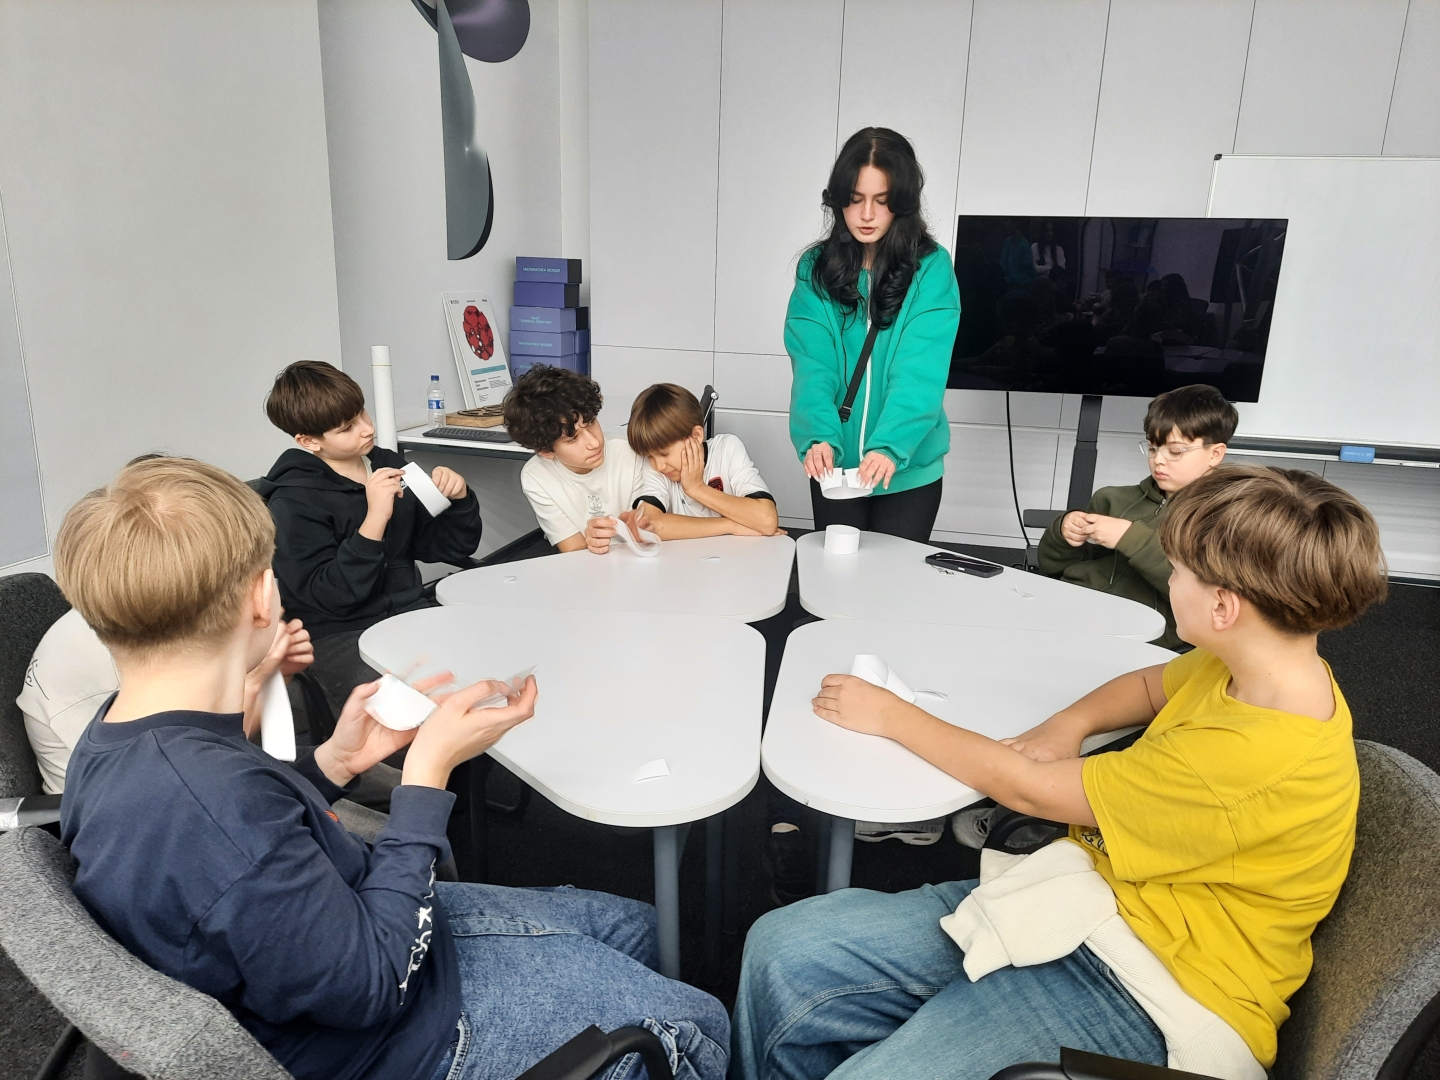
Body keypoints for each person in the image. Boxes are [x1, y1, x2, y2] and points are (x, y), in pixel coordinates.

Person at [56, 456, 729, 1080]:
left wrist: (334, 761)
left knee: (637, 927)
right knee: (698, 1023)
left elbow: (247, 846)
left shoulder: (120, 736)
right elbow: (373, 985)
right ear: (263, 595)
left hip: (342, 924)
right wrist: (426, 773)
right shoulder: (207, 804)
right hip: (391, 1027)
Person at [731, 464, 1386, 1080]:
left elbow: (1030, 791)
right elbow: (1150, 686)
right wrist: (1068, 724)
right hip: (1100, 903)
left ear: (1224, 607)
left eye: (1179, 569)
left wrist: (891, 715)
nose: (1169, 579)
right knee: (784, 951)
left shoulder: (1250, 757)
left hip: (1161, 991)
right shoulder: (1260, 666)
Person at [256, 361, 483, 713]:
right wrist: (374, 520)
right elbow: (331, 597)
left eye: (362, 413)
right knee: (420, 712)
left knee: (489, 676)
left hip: (409, 614)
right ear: (308, 441)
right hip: (339, 633)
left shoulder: (389, 465)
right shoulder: (292, 502)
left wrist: (460, 500)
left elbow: (451, 548)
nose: (367, 429)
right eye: (347, 427)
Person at [785, 126, 960, 543]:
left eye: (881, 201)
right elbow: (813, 365)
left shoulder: (931, 270)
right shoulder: (815, 269)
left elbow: (919, 372)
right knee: (835, 576)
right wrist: (817, 436)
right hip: (835, 470)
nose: (866, 214)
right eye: (855, 199)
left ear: (902, 202)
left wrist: (890, 447)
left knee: (893, 580)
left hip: (908, 472)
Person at [18, 606, 311, 794]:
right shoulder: (113, 657)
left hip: (181, 781)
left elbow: (218, 735)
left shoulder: (148, 618)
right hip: (123, 815)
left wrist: (273, 674)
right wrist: (257, 676)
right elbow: (193, 777)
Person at [1037, 384, 1238, 650]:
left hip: (1142, 638)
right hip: (1070, 613)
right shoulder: (1113, 498)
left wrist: (1130, 539)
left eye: (1175, 451)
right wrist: (1063, 532)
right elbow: (1052, 567)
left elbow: (1207, 599)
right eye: (1153, 448)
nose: (1158, 460)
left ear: (1215, 454)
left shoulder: (1226, 518)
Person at [503, 365, 644, 555]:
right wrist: (593, 544)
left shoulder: (630, 453)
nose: (594, 442)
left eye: (591, 422)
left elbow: (652, 528)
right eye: (573, 439)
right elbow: (574, 550)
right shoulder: (536, 477)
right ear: (546, 451)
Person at [623, 383, 782, 540]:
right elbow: (649, 526)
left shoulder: (727, 449)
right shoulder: (656, 470)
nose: (659, 465)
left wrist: (696, 488)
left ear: (696, 435)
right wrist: (730, 525)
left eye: (664, 454)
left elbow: (767, 521)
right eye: (650, 456)